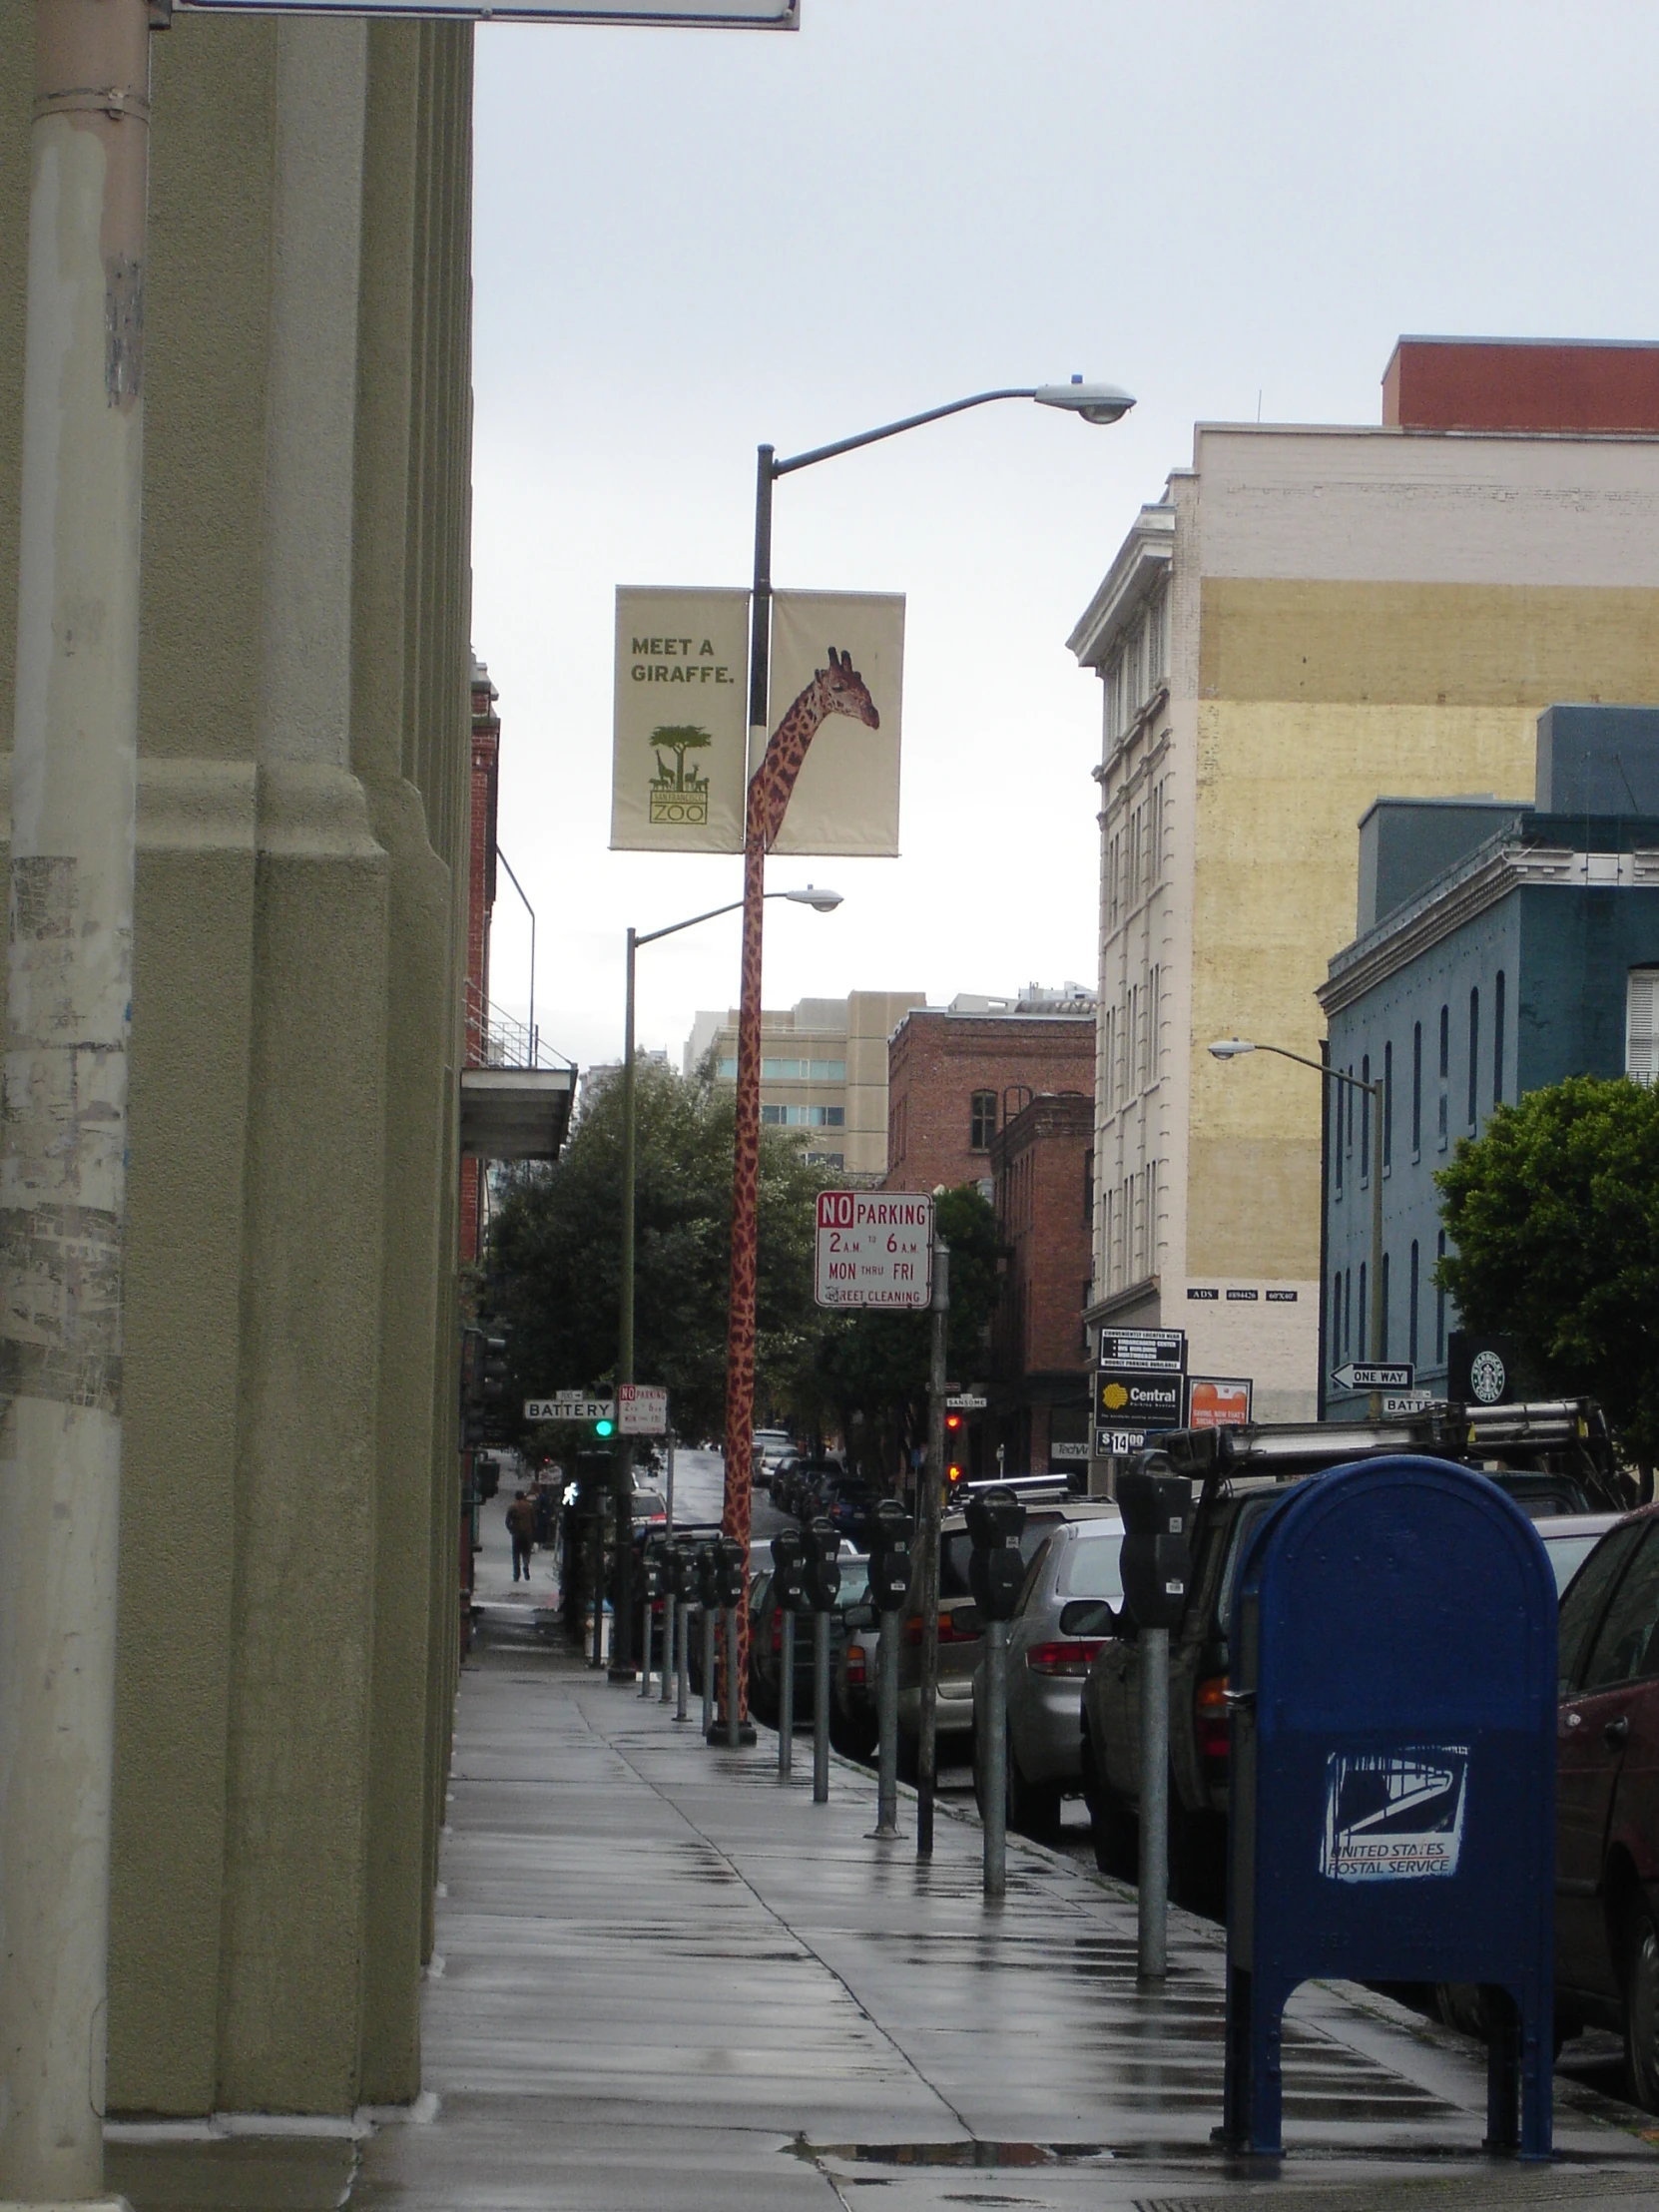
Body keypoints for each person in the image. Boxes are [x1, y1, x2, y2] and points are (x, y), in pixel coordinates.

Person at [506, 1488, 536, 1583]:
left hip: (517, 1534)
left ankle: (516, 1574)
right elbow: (534, 1521)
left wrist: (511, 1530)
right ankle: (526, 1567)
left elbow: (507, 1521)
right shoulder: (529, 1507)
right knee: (526, 1553)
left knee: (516, 1555)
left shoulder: (512, 1507)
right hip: (527, 1533)